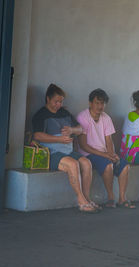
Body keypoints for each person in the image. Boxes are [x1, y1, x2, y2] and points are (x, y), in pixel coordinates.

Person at [32, 84, 99, 213]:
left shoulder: (65, 113)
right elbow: (37, 135)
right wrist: (59, 139)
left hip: (68, 150)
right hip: (52, 153)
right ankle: (81, 200)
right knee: (73, 164)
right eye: (56, 101)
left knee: (86, 163)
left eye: (61, 101)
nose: (58, 104)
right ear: (48, 99)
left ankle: (87, 198)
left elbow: (80, 129)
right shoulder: (41, 115)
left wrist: (72, 129)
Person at [77, 89, 135, 209]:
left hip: (104, 153)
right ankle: (110, 198)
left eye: (102, 103)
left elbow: (109, 140)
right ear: (90, 103)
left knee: (125, 166)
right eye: (97, 103)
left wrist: (112, 154)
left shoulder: (106, 118)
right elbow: (83, 145)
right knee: (108, 166)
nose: (100, 106)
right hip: (88, 154)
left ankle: (122, 199)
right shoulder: (83, 117)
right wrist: (105, 156)